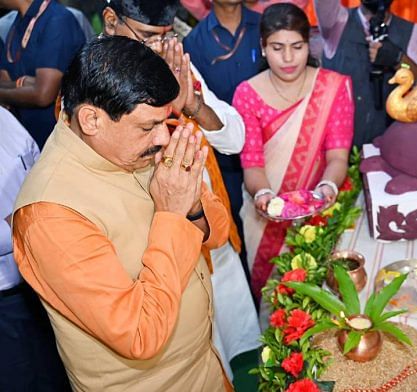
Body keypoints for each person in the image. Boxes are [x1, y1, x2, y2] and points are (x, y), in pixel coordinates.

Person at [12, 36, 233, 391]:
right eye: (148, 126)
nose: (163, 137)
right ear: (91, 120)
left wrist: (190, 205)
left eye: (165, 121)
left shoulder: (130, 146)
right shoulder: (49, 215)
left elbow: (218, 234)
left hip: (204, 369)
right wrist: (172, 216)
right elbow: (139, 336)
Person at [102, 0, 260, 379]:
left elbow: (235, 139)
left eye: (166, 36)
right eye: (148, 37)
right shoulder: (92, 81)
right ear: (111, 21)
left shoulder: (175, 66)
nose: (157, 48)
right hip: (151, 240)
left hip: (208, 223)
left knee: (232, 340)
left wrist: (193, 103)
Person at [233, 3, 354, 297]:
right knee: (277, 307)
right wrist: (265, 197)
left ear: (308, 45)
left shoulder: (332, 87)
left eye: (296, 47)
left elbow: (337, 157)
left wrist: (325, 190)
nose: (288, 58)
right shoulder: (247, 94)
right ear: (263, 48)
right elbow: (252, 166)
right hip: (264, 222)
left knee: (319, 302)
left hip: (320, 215)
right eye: (277, 47)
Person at [183, 0, 262, 277]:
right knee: (235, 231)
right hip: (223, 159)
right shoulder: (193, 42)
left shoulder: (264, 26)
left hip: (269, 152)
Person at [0, 104, 71, 391]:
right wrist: (26, 220)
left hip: (43, 280)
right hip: (6, 299)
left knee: (58, 371)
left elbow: (38, 162)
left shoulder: (4, 117)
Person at [314, 0, 417, 147]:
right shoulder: (337, 22)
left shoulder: (412, 32)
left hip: (388, 148)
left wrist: (398, 59)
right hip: (338, 146)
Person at [0, 0, 86, 148]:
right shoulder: (17, 22)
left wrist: (16, 87)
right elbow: (5, 78)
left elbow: (43, 94)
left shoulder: (57, 20)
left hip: (55, 143)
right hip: (25, 140)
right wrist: (23, 83)